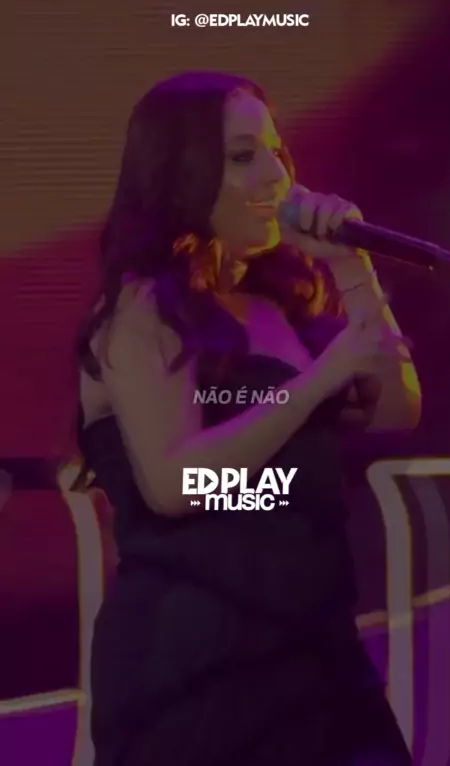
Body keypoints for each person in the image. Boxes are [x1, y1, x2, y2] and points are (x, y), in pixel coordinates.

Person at [75, 71, 421, 765]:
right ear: (179, 175)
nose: (275, 176)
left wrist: (352, 266)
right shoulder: (143, 309)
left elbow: (397, 408)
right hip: (199, 667)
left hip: (315, 654)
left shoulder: (279, 304)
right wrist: (313, 385)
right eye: (242, 157)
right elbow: (176, 485)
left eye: (275, 151)